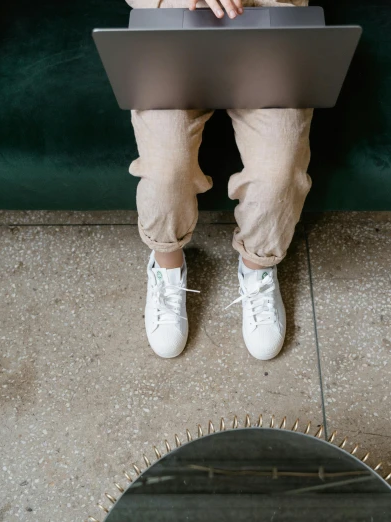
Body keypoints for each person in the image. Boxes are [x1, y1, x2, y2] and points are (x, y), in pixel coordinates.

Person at [127, 0, 313, 360]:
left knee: (279, 170)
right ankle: (167, 265)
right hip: (171, 23)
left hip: (269, 23)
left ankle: (256, 269)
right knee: (166, 167)